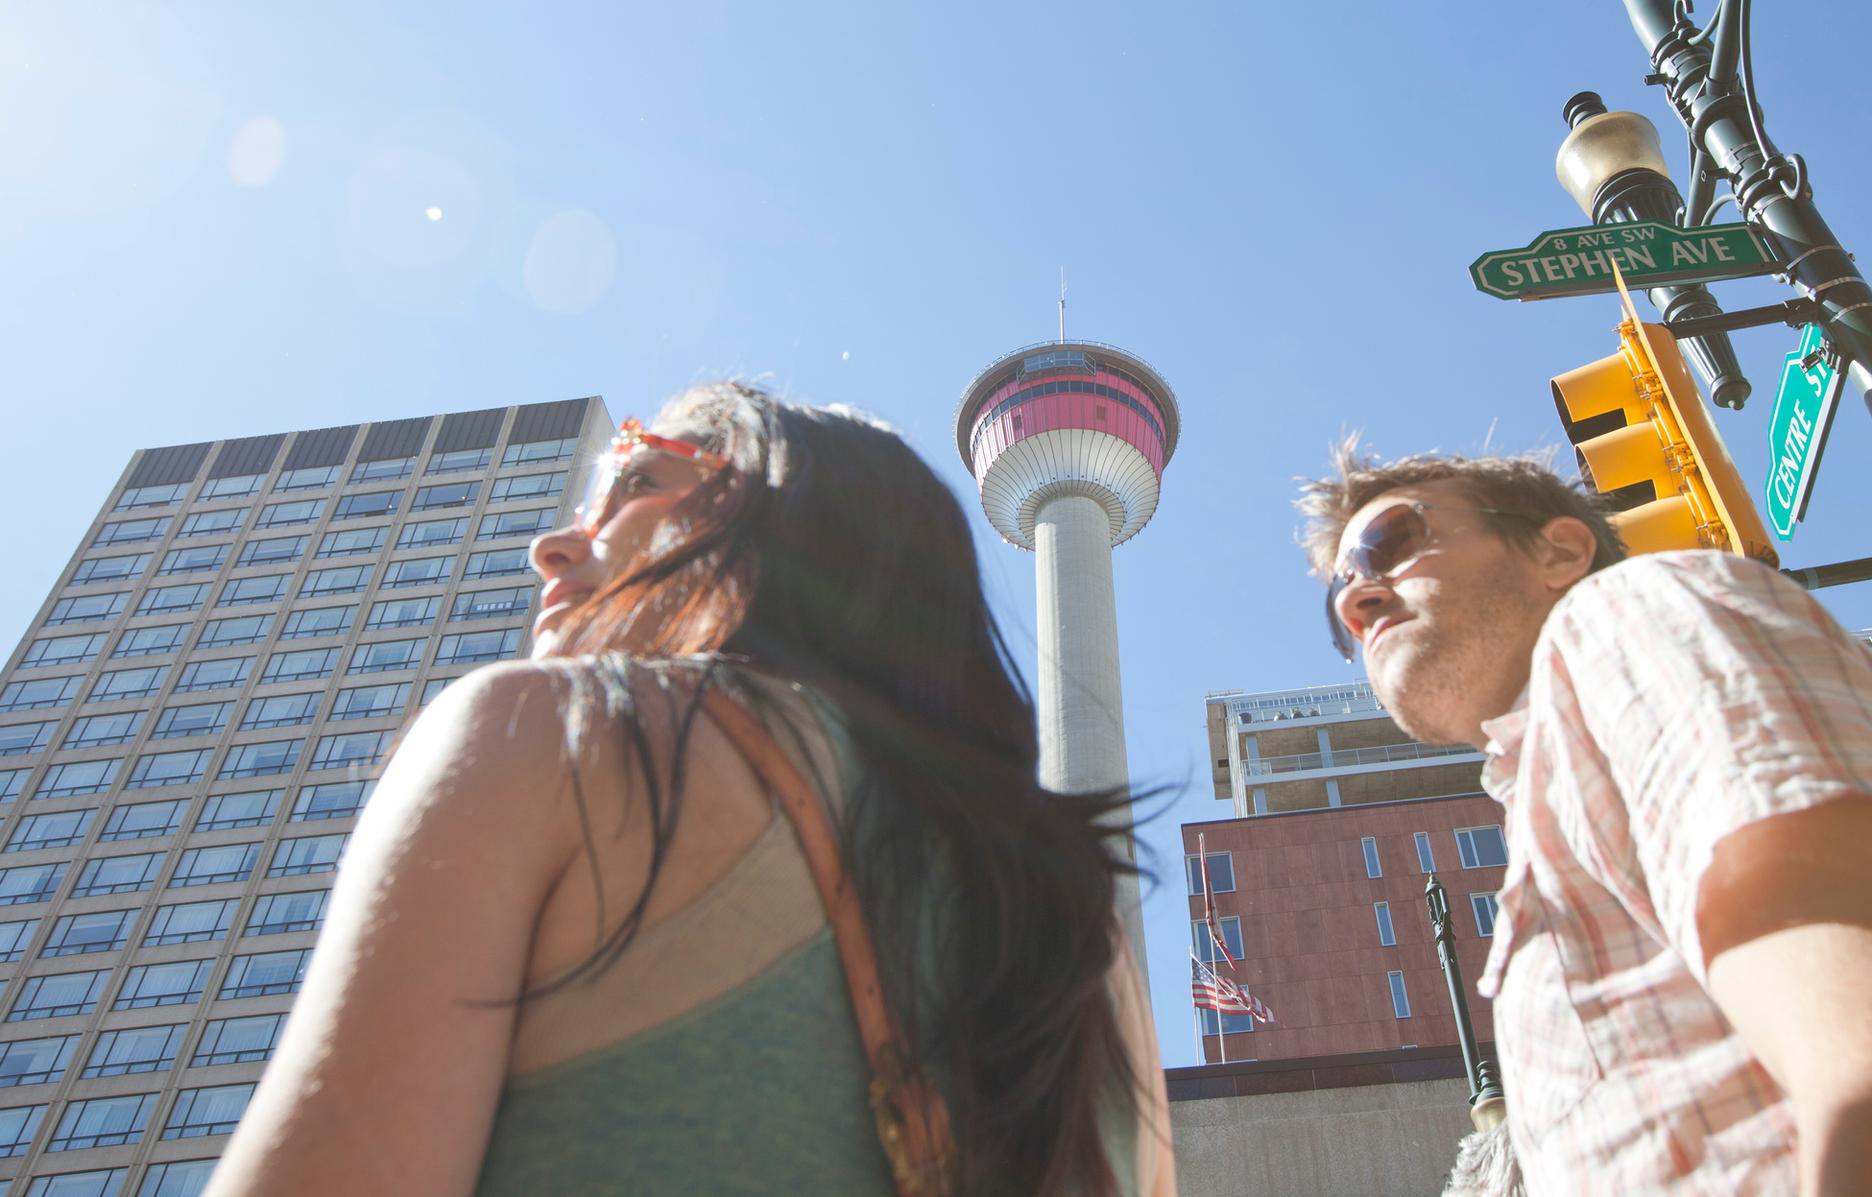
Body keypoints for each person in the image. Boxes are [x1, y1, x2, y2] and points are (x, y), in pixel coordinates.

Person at [207, 383, 1175, 1197]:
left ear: (768, 518)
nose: (553, 545)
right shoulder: (1085, 929)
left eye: (630, 485)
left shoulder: (545, 731)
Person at [1297, 441, 1872, 1196]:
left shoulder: (1621, 616)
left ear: (1560, 550)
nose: (1356, 598)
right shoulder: (1545, 804)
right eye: (1338, 600)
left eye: (1392, 543)